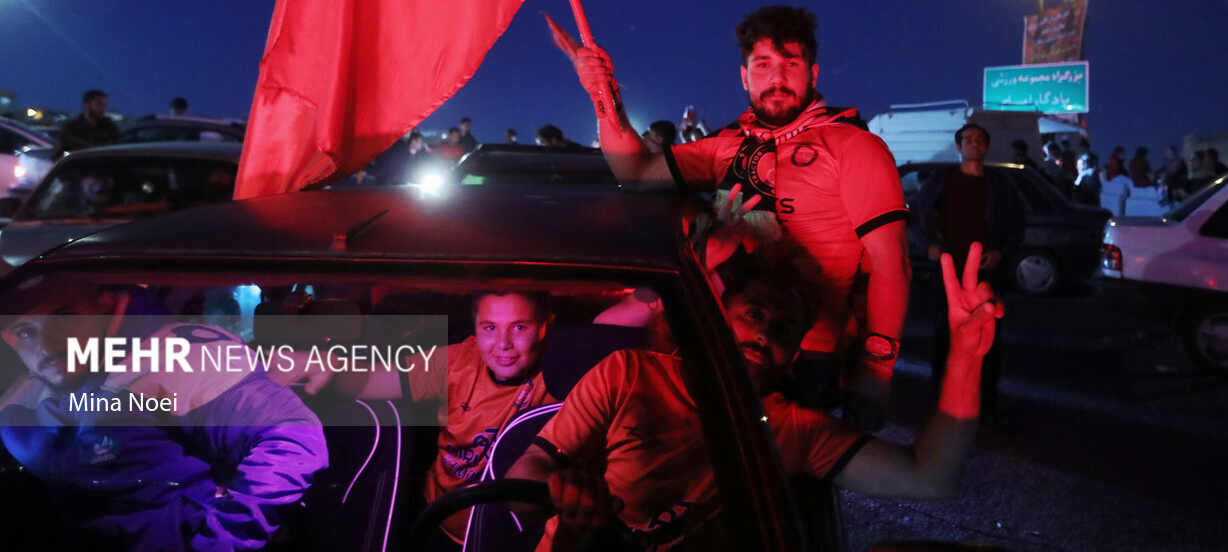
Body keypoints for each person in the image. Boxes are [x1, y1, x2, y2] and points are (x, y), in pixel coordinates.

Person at [554, 5, 910, 429]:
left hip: (807, 355)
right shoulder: (726, 145)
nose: (776, 78)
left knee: (784, 466)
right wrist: (603, 95)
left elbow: (891, 261)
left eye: (790, 64)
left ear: (812, 74)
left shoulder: (853, 146)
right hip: (719, 339)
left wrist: (876, 370)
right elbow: (635, 172)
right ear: (744, 76)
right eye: (763, 65)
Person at [508, 249, 1001, 551]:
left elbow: (931, 476)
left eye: (783, 330)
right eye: (754, 313)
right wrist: (553, 493)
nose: (765, 333)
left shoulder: (795, 428)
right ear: (717, 320)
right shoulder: (629, 373)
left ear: (793, 356)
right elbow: (529, 470)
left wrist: (965, 354)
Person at [0, 275, 328, 550]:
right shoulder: (29, 389)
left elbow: (294, 436)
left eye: (64, 317)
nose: (46, 344)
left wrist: (219, 542)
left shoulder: (178, 358)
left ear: (105, 306)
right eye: (26, 331)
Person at [290, 291, 555, 551]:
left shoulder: (559, 375)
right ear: (475, 326)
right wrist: (329, 367)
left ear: (546, 326)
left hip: (511, 535)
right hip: (437, 518)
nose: (503, 343)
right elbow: (377, 379)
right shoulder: (458, 361)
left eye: (519, 327)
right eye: (490, 328)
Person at [912, 124, 1024, 431]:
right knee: (943, 338)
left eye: (979, 140)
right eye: (968, 140)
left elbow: (1018, 224)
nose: (974, 144)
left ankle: (985, 407)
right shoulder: (940, 181)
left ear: (986, 147)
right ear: (959, 147)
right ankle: (943, 403)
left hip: (987, 275)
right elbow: (918, 217)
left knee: (988, 340)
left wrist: (1001, 252)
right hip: (949, 273)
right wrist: (929, 245)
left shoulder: (1000, 186)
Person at [54, 90, 120, 156]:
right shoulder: (71, 129)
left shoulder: (110, 128)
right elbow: (60, 154)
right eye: (99, 103)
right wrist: (74, 156)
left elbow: (118, 150)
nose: (103, 107)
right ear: (86, 105)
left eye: (104, 104)